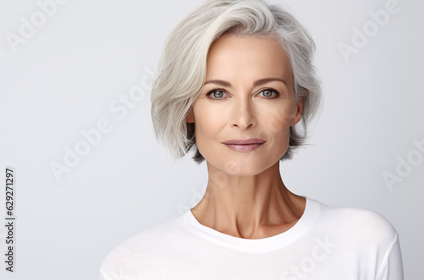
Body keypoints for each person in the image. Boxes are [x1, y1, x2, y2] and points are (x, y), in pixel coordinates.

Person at [99, 0, 404, 279]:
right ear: (187, 109)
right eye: (217, 93)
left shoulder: (365, 242)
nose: (243, 119)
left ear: (296, 107)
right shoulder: (133, 266)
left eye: (266, 92)